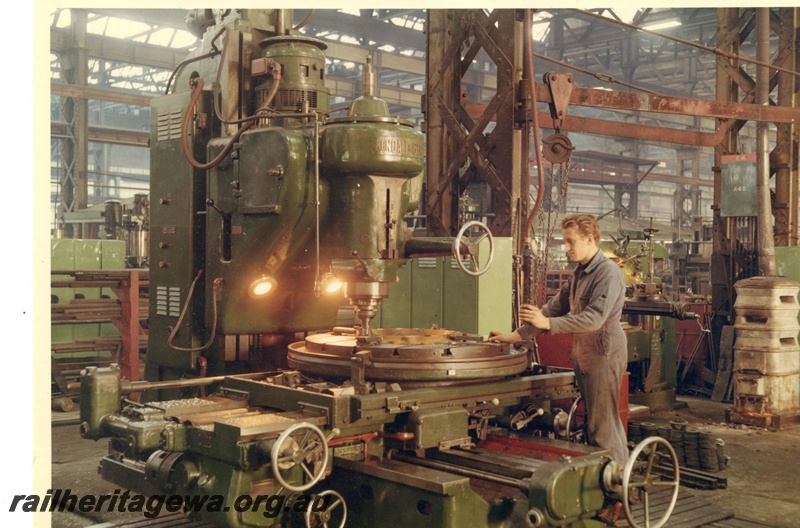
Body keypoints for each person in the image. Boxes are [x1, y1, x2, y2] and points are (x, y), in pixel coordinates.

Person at [490, 213, 629, 464]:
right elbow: (553, 309)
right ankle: (610, 475)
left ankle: (616, 481)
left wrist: (548, 324)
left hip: (603, 354)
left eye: (570, 241)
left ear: (589, 239)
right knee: (597, 421)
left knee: (602, 424)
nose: (566, 248)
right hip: (586, 354)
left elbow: (593, 319)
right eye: (564, 242)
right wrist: (515, 336)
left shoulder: (608, 273)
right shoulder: (579, 273)